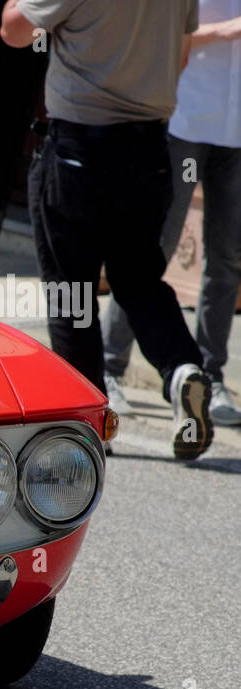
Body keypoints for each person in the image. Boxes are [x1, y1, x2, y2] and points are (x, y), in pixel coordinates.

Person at [2, 0, 214, 460]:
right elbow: (179, 54)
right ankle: (181, 368)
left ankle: (88, 421)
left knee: (71, 291)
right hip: (149, 147)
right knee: (139, 279)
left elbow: (14, 31)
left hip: (80, 142)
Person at [101, 0, 241, 427]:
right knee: (151, 252)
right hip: (185, 123)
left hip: (236, 133)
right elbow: (159, 39)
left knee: (228, 260)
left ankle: (209, 375)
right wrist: (224, 31)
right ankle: (108, 369)